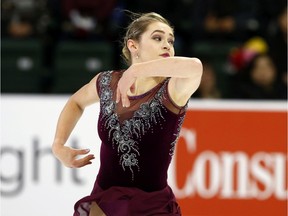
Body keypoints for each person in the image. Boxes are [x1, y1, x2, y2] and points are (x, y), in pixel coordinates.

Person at [52, 12, 202, 216]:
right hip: (104, 201)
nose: (167, 45)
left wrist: (137, 71)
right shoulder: (106, 83)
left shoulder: (172, 90)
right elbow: (76, 102)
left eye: (170, 40)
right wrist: (58, 145)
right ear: (133, 46)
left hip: (152, 207)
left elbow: (195, 67)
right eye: (157, 38)